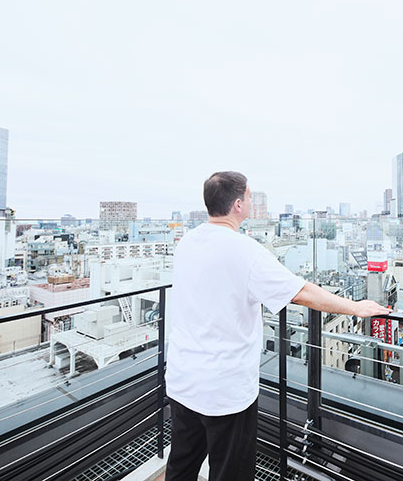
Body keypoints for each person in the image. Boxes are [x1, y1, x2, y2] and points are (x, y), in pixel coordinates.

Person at [164, 171, 391, 481]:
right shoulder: (244, 250)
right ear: (239, 204)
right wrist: (355, 307)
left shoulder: (187, 242)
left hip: (182, 378)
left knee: (181, 466)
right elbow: (301, 292)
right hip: (225, 388)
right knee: (230, 472)